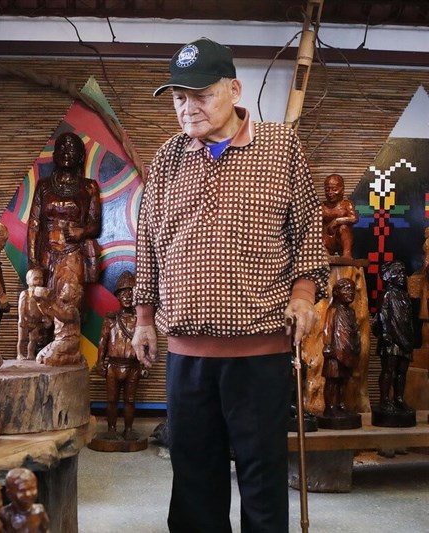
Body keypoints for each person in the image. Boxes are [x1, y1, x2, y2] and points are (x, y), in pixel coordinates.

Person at [131, 37, 329, 532]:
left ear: (234, 89)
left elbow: (307, 235)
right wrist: (142, 319)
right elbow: (148, 245)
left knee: (262, 479)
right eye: (178, 96)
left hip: (258, 352)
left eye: (200, 94)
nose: (187, 107)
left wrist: (304, 296)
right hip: (187, 355)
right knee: (195, 478)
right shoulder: (166, 160)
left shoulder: (281, 147)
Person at [27, 131, 102, 295]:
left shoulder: (89, 187)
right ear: (54, 155)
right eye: (61, 147)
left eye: (71, 148)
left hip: (73, 255)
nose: (66, 152)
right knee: (43, 309)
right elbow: (34, 224)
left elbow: (95, 224)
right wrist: (33, 261)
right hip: (47, 254)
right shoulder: (44, 185)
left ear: (80, 156)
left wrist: (82, 231)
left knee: (71, 307)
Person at [95, 271, 143, 440]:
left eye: (131, 293)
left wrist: (145, 365)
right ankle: (111, 429)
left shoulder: (140, 320)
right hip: (113, 366)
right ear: (117, 296)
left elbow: (145, 344)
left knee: (130, 401)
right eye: (124, 293)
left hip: (133, 366)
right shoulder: (110, 320)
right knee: (112, 401)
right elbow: (103, 342)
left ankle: (129, 430)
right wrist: (100, 362)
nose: (128, 297)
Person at [373, 261, 414, 414]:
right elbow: (382, 315)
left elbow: (408, 319)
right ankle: (384, 399)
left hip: (404, 339)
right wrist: (385, 334)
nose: (404, 276)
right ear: (391, 276)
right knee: (388, 370)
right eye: (400, 273)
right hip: (390, 339)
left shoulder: (404, 296)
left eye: (404, 272)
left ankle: (399, 398)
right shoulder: (387, 294)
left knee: (402, 371)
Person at [321, 278, 361, 419]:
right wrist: (327, 345)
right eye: (346, 289)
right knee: (332, 381)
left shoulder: (351, 312)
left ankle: (341, 405)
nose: (350, 293)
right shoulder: (332, 310)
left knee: (344, 380)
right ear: (337, 292)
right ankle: (330, 407)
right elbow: (327, 329)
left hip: (346, 352)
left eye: (352, 290)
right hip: (334, 353)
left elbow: (354, 330)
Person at [16, 267, 52, 360]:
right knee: (22, 339)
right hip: (25, 321)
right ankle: (20, 354)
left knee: (33, 340)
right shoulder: (25, 294)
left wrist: (46, 318)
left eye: (41, 278)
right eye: (35, 278)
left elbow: (43, 308)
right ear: (28, 281)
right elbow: (21, 307)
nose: (39, 281)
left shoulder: (42, 295)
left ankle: (30, 354)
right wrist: (21, 318)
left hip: (36, 322)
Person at [0, 468, 49, 533]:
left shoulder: (39, 511)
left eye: (32, 489)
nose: (28, 494)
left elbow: (45, 530)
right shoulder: (4, 515)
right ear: (9, 494)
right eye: (22, 491)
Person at [321, 173, 359, 258]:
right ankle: (324, 254)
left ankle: (347, 254)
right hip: (326, 239)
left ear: (342, 190)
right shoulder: (322, 206)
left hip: (340, 237)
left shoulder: (346, 204)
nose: (330, 193)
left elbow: (354, 218)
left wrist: (337, 221)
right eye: (327, 189)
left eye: (334, 189)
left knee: (344, 228)